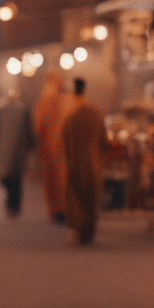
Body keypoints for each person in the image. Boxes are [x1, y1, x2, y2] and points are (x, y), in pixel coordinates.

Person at [61, 78, 109, 245]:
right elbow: (104, 141)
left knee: (76, 198)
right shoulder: (94, 113)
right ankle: (89, 230)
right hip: (94, 163)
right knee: (91, 198)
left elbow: (63, 141)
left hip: (75, 162)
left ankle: (78, 231)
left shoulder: (68, 113)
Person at [0, 89, 35, 218]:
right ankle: (13, 205)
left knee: (8, 177)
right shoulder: (22, 110)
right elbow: (29, 132)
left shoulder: (4, 110)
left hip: (4, 150)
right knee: (15, 179)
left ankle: (12, 205)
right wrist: (31, 146)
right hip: (18, 150)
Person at [33, 72, 67, 223]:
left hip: (47, 146)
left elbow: (38, 125)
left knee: (51, 180)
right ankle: (64, 208)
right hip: (62, 144)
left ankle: (55, 209)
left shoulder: (44, 97)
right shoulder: (63, 98)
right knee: (63, 177)